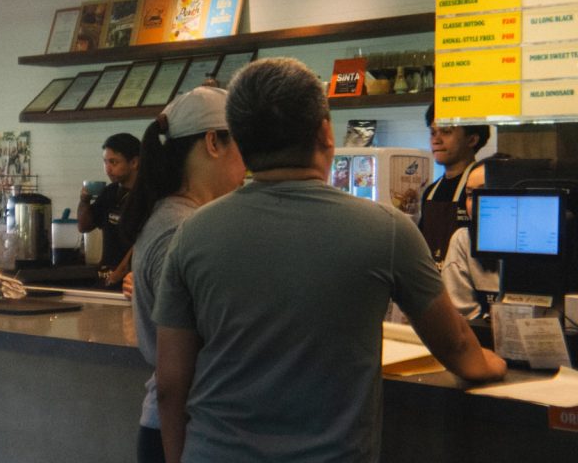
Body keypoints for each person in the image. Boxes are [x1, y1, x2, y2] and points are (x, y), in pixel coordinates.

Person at [153, 57, 506, 463]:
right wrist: (494, 365)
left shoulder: (193, 233)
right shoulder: (386, 229)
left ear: (242, 142)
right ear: (325, 132)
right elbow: (459, 347)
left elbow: (170, 384)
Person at [118, 86, 246, 463]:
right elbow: (176, 377)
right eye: (241, 144)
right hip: (182, 432)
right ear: (213, 142)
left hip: (182, 428)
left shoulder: (175, 217)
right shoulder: (182, 229)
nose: (247, 162)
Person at [442, 155, 578, 320]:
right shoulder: (463, 240)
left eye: (485, 193)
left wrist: (572, 314)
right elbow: (461, 317)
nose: (477, 204)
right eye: (471, 195)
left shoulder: (547, 237)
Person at [419, 104, 491, 265]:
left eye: (446, 132)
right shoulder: (431, 191)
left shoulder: (483, 188)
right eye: (432, 133)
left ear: (472, 139)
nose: (436, 140)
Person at [77, 132, 139, 287]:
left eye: (114, 162)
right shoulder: (110, 192)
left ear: (134, 162)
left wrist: (120, 271)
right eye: (105, 162)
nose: (108, 169)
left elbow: (142, 242)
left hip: (132, 278)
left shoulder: (147, 196)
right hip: (106, 272)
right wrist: (84, 200)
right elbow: (84, 226)